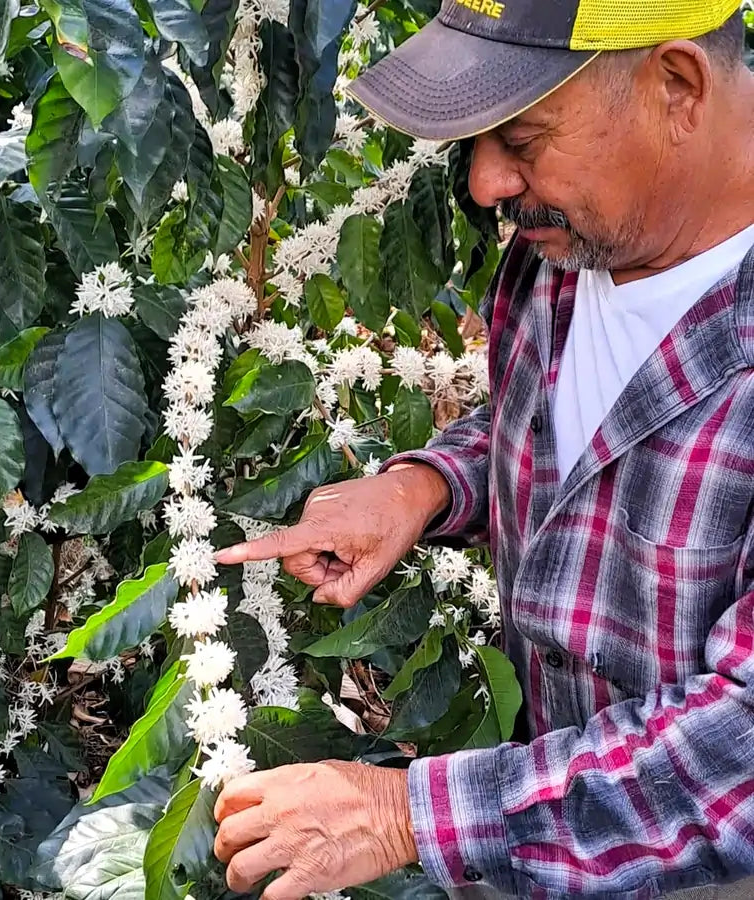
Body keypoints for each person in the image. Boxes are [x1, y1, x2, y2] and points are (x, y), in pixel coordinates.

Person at [210, 0, 754, 897]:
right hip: (543, 829)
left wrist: (401, 815)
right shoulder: (569, 248)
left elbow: (739, 753)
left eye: (524, 137)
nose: (485, 182)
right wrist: (423, 488)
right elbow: (557, 430)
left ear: (677, 85)